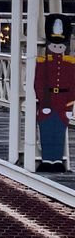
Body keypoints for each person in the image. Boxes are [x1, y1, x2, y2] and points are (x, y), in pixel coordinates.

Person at [34, 14, 75, 172]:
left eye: (60, 46)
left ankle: (56, 160)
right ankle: (47, 160)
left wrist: (70, 101)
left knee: (59, 131)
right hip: (48, 100)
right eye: (54, 45)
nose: (57, 49)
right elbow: (38, 82)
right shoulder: (43, 62)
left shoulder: (70, 64)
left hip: (63, 101)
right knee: (45, 129)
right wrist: (42, 100)